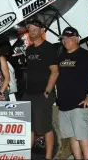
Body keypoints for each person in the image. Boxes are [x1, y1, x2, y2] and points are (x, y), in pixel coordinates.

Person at [56, 27, 88, 160]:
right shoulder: (61, 56)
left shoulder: (85, 55)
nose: (65, 41)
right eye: (63, 38)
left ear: (76, 38)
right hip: (64, 104)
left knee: (83, 135)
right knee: (73, 136)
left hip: (80, 103)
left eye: (68, 38)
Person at [21, 18, 59, 160]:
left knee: (45, 127)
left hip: (42, 94)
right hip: (28, 93)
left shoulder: (49, 48)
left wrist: (47, 92)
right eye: (30, 30)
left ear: (42, 31)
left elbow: (55, 71)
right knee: (28, 127)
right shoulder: (29, 49)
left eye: (35, 30)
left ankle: (48, 157)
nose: (32, 32)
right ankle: (27, 156)